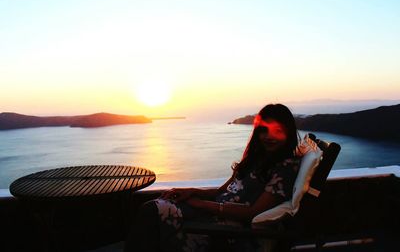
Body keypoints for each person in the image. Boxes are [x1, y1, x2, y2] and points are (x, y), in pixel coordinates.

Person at [124, 104, 301, 252]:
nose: (269, 137)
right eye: (264, 131)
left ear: (288, 132)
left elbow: (252, 212)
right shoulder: (257, 159)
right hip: (214, 214)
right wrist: (191, 192)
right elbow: (220, 191)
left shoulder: (285, 168)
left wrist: (200, 203)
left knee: (153, 217)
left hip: (229, 230)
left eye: (277, 131)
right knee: (152, 211)